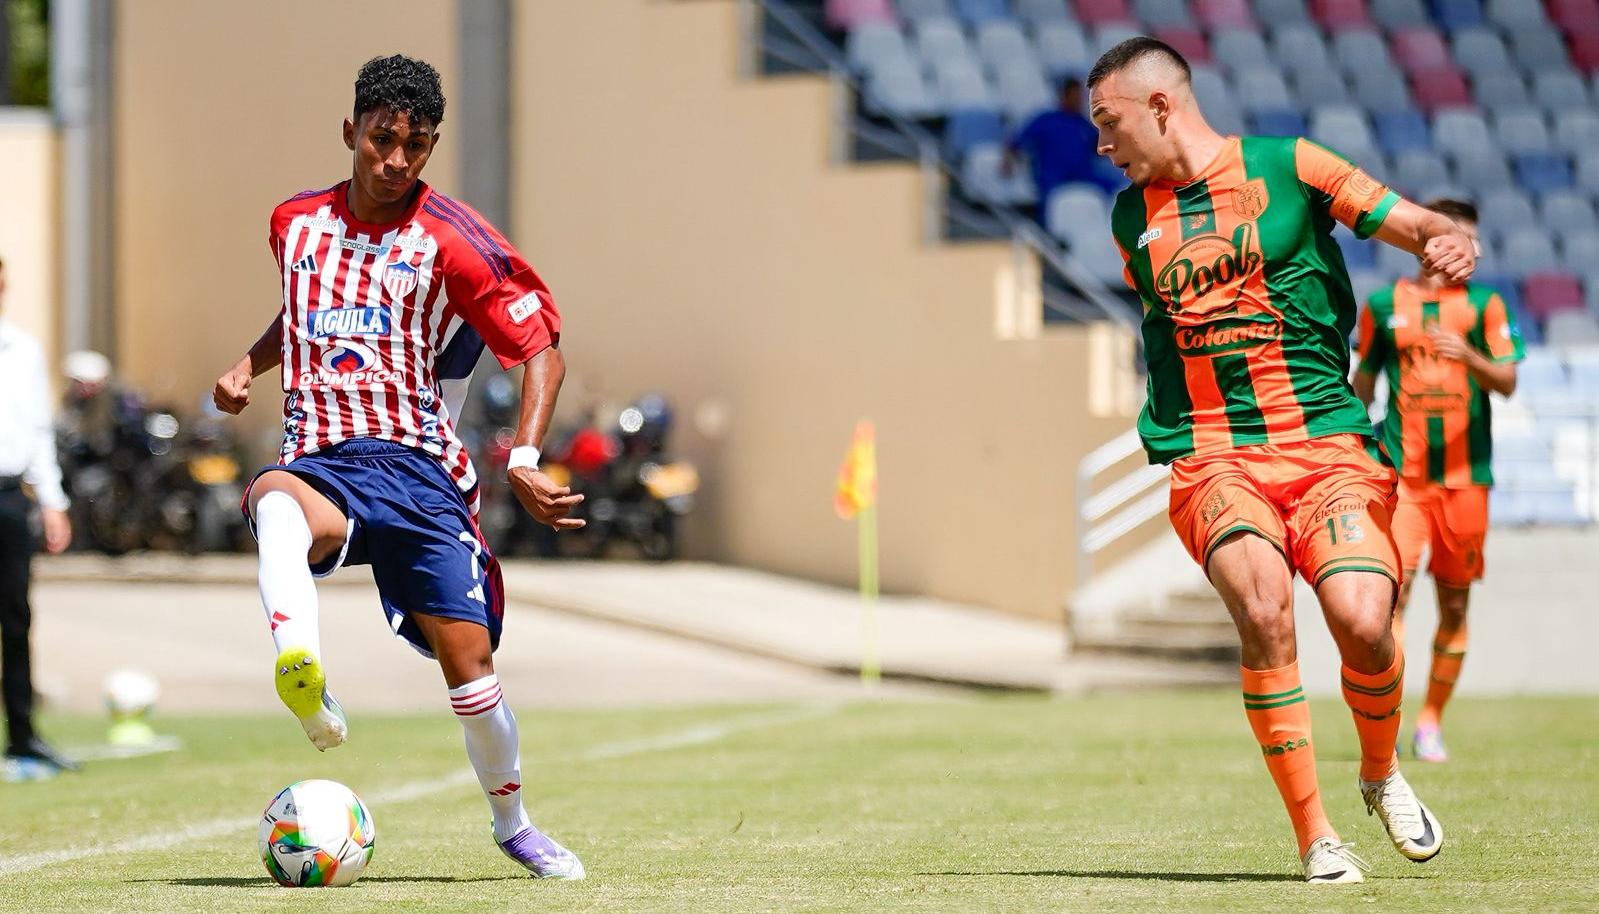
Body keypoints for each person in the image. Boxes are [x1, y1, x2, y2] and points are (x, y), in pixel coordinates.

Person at [1090, 37, 1476, 883]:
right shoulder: (1129, 219)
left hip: (1327, 444)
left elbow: (1407, 220)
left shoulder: (1291, 164)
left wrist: (1443, 239)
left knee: (1364, 623)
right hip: (1214, 457)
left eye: (1108, 122)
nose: (1101, 144)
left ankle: (1379, 772)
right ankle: (1316, 838)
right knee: (1263, 611)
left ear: (1160, 105)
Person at [210, 55, 586, 879]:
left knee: (471, 674)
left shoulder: (453, 239)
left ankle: (514, 825)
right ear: (351, 132)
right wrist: (248, 363)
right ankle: (302, 673)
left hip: (419, 471)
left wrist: (525, 458)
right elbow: (302, 310)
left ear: (431, 147)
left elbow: (540, 350)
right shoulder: (293, 223)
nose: (396, 160)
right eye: (382, 140)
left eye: (415, 146)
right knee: (273, 501)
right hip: (324, 459)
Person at [1353, 199, 1521, 764]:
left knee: (1453, 607)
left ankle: (1431, 722)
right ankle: (1394, 720)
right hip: (1403, 480)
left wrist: (1468, 357)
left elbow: (1507, 382)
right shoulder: (1384, 305)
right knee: (1391, 600)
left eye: (1471, 240)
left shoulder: (1485, 304)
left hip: (1465, 480)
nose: (1467, 249)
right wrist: (1353, 447)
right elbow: (1364, 382)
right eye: (1457, 237)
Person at [0, 254, 76, 780]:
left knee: (15, 618)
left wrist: (52, 501)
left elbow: (39, 431)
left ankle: (24, 737)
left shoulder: (21, 349)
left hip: (9, 498)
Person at [1003, 77, 1120, 207]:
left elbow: (1100, 147)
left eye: (1079, 96)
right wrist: (1008, 160)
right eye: (1074, 96)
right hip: (1054, 179)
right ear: (1063, 95)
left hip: (1083, 176)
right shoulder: (1046, 120)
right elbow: (1015, 142)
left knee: (1117, 188)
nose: (1078, 100)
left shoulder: (1082, 124)